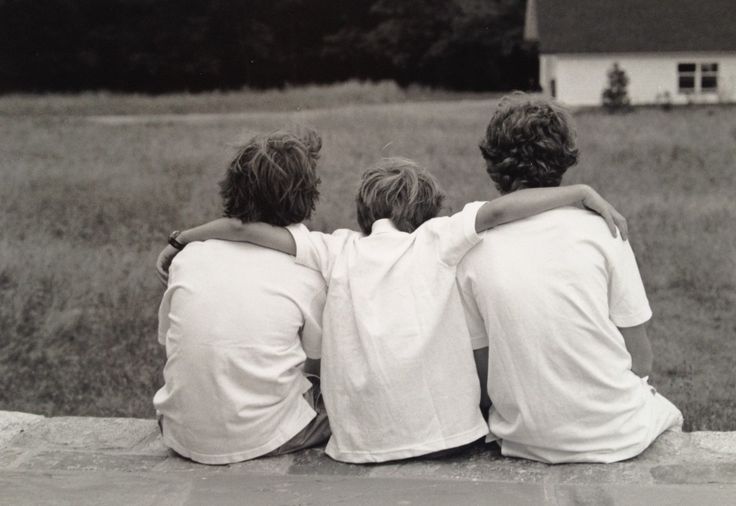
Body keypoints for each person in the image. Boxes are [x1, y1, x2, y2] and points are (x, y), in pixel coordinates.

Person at [157, 153, 626, 464]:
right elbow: (502, 210)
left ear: (364, 211)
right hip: (452, 439)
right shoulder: (438, 239)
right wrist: (578, 193)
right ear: (427, 211)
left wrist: (185, 236)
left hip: (359, 446)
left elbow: (245, 231)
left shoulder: (335, 248)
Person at [457, 96, 683, 464]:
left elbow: (483, 381)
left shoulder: (471, 245)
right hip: (616, 434)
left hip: (522, 437)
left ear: (493, 163)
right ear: (565, 157)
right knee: (669, 417)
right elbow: (641, 360)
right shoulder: (603, 229)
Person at [154, 129, 330, 465]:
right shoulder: (307, 271)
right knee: (339, 397)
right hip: (265, 436)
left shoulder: (190, 258)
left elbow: (170, 343)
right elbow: (318, 356)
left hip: (176, 431)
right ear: (307, 196)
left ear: (232, 186)